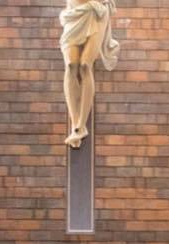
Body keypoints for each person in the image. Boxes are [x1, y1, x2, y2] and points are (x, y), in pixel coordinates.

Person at [59, 0, 120, 148]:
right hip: (74, 11)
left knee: (85, 65)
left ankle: (80, 125)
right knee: (71, 65)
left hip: (96, 11)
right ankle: (76, 126)